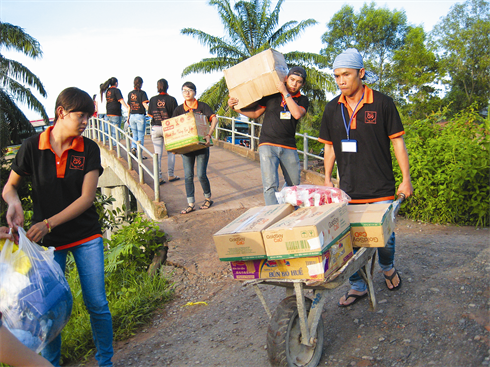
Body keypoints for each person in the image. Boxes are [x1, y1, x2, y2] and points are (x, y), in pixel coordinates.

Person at [2, 87, 114, 366]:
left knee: (97, 303)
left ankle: (105, 361)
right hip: (47, 245)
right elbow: (10, 188)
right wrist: (14, 204)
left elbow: (87, 198)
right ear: (61, 112)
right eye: (81, 115)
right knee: (46, 308)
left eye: (89, 116)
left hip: (86, 236)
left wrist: (48, 223)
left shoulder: (88, 149)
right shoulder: (32, 147)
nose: (86, 121)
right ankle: (51, 364)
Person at [318, 48, 414, 306]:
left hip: (380, 185)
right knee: (351, 240)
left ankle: (387, 267)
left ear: (361, 73)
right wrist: (327, 180)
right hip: (348, 188)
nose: (340, 80)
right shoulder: (331, 109)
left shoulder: (382, 103)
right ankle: (357, 285)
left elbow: (398, 142)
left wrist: (406, 178)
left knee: (384, 236)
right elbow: (329, 147)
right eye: (336, 76)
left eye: (346, 74)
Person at [228, 66, 309, 205]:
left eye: (299, 81)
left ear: (303, 84)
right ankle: (272, 214)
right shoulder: (272, 95)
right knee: (270, 184)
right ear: (286, 78)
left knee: (294, 184)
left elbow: (296, 114)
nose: (294, 84)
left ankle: (284, 206)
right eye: (292, 79)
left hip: (288, 145)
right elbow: (255, 113)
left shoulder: (303, 100)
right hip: (268, 143)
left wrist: (285, 93)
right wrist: (235, 108)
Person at [172, 82, 218, 214]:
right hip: (186, 148)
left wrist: (209, 134)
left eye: (189, 90)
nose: (186, 93)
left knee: (201, 174)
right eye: (184, 90)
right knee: (188, 176)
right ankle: (191, 203)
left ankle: (208, 198)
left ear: (195, 92)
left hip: (202, 146)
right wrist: (174, 147)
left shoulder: (202, 106)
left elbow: (214, 119)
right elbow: (174, 128)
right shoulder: (179, 110)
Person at [148, 78, 180, 184]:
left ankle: (159, 177)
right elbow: (175, 116)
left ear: (157, 87)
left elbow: (150, 114)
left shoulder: (152, 100)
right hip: (168, 128)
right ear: (167, 86)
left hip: (156, 127)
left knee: (157, 154)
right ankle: (171, 175)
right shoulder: (172, 100)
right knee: (171, 152)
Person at [100, 77, 129, 147]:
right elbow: (121, 100)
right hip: (116, 112)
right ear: (116, 83)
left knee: (111, 128)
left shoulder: (108, 91)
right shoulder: (116, 90)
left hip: (109, 112)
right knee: (116, 129)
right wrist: (127, 108)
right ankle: (115, 144)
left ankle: (112, 143)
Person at [127, 76, 149, 157]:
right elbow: (144, 104)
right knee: (140, 136)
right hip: (140, 116)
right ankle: (140, 154)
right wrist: (151, 112)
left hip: (132, 116)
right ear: (141, 84)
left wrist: (128, 117)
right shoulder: (142, 93)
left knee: (134, 134)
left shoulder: (130, 94)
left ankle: (133, 147)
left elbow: (129, 106)